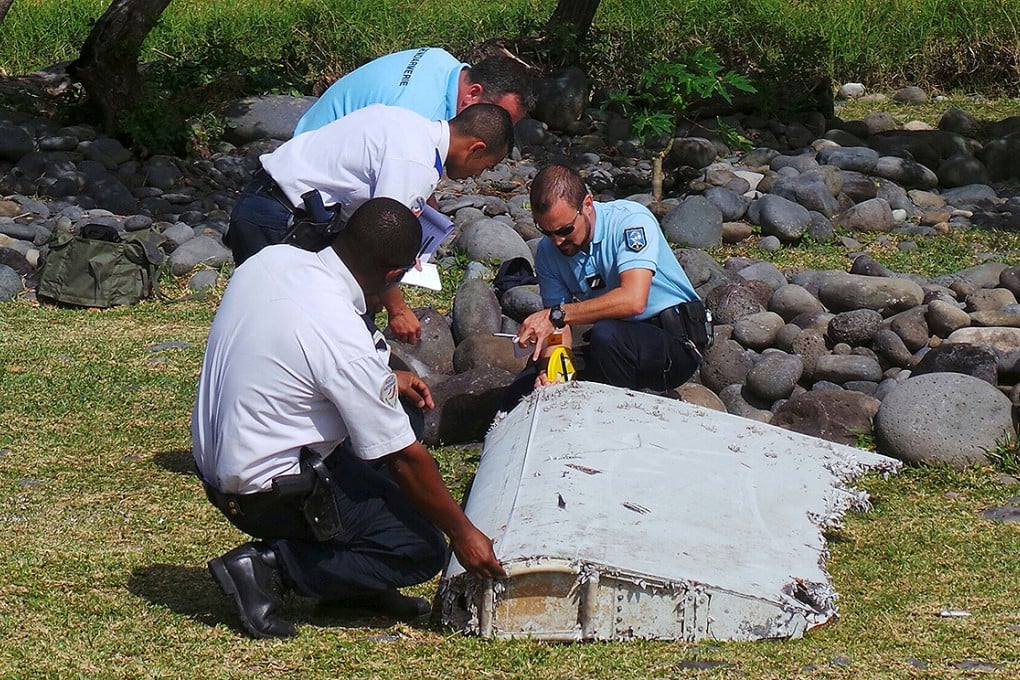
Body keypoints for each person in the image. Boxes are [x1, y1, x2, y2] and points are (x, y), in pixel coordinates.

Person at [193, 197, 506, 639]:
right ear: (394, 275)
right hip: (265, 492)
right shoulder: (340, 334)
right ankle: (269, 568)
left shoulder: (273, 259)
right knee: (417, 548)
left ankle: (354, 585)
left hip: (219, 463)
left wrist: (388, 378)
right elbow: (405, 460)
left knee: (404, 417)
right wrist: (463, 533)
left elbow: (295, 354)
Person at [226, 102, 514, 343]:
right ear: (475, 148)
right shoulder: (416, 162)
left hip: (267, 201)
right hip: (279, 219)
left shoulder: (409, 123)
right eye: (485, 166)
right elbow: (382, 241)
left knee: (276, 319)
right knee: (279, 326)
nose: (477, 175)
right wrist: (397, 309)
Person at [503, 164, 704, 407]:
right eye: (546, 232)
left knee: (606, 335)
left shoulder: (630, 222)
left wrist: (558, 314)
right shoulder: (549, 253)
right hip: (615, 343)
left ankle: (620, 418)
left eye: (565, 230)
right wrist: (551, 371)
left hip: (673, 343)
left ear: (587, 204)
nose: (557, 241)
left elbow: (633, 300)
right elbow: (558, 331)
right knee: (526, 386)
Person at [294, 47, 532, 135]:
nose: (500, 133)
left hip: (313, 132)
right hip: (308, 178)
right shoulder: (421, 117)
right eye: (500, 120)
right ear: (472, 94)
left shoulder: (441, 60)